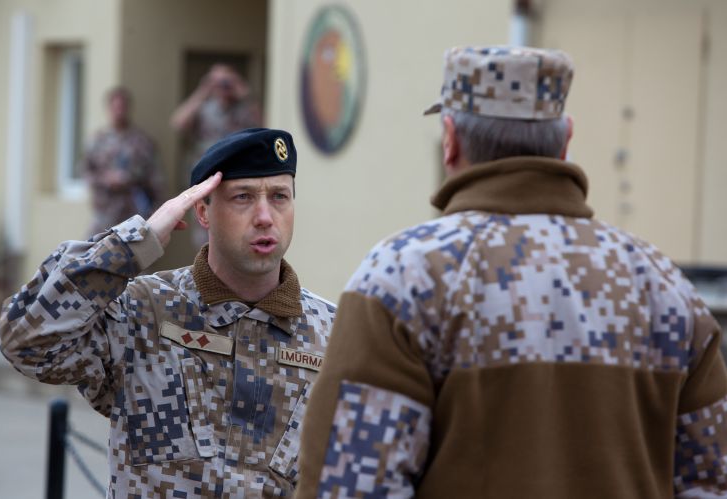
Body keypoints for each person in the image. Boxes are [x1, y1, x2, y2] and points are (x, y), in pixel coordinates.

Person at [295, 46, 727, 498]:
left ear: (450, 139)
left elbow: (347, 486)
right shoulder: (664, 286)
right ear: (565, 141)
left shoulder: (403, 277)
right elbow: (711, 481)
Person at [0, 128, 336, 497]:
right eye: (243, 197)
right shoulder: (142, 310)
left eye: (279, 197)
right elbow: (25, 342)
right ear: (203, 212)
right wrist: (132, 245)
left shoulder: (330, 333)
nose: (265, 216)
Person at [171, 64, 263, 248]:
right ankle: (206, 263)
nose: (223, 87)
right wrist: (203, 91)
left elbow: (265, 127)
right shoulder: (204, 108)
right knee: (205, 226)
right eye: (218, 82)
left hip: (235, 175)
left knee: (238, 225)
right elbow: (178, 123)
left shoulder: (243, 109)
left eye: (226, 82)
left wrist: (246, 95)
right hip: (207, 176)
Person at [84, 86, 165, 236]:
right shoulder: (97, 141)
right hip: (104, 214)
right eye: (115, 107)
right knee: (97, 249)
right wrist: (106, 179)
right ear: (108, 108)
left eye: (122, 107)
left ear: (128, 108)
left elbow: (156, 180)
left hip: (133, 215)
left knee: (134, 251)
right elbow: (86, 173)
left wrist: (156, 212)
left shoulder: (142, 141)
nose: (119, 111)